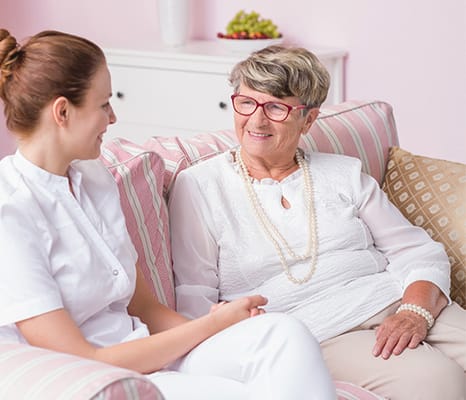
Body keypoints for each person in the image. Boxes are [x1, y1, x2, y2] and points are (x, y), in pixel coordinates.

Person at [0, 30, 337, 400]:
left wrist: (223, 328)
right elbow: (84, 359)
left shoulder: (93, 180)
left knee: (284, 334)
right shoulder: (10, 211)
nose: (112, 118)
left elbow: (145, 306)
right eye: (103, 104)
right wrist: (210, 325)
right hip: (100, 379)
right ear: (63, 111)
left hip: (147, 351)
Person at [169, 45, 466, 400]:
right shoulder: (199, 185)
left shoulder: (343, 173)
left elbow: (417, 252)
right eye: (246, 102)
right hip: (317, 330)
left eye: (277, 107)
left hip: (396, 299)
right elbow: (194, 297)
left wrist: (415, 311)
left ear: (308, 119)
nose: (256, 120)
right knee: (437, 380)